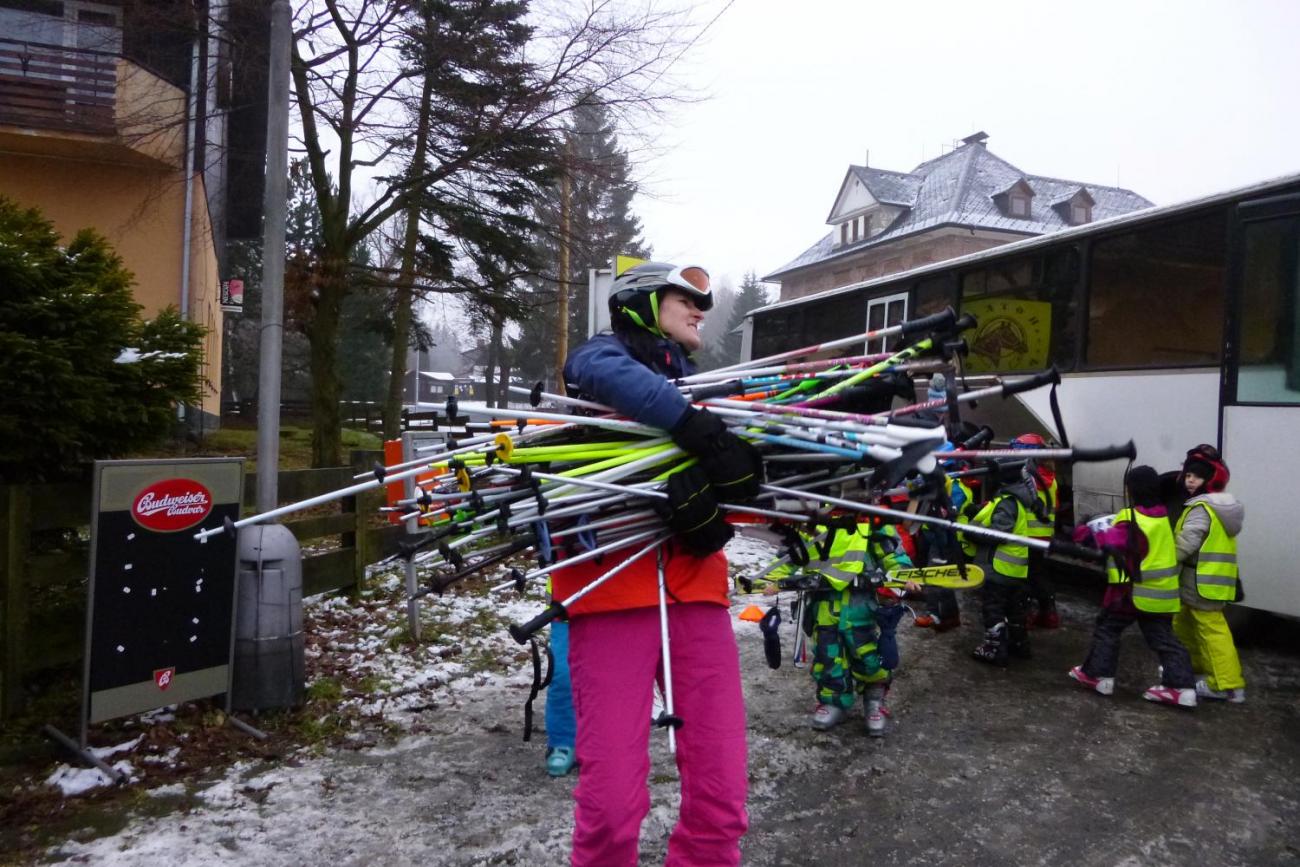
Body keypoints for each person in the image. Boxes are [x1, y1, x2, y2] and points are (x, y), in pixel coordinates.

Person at [557, 262, 761, 866]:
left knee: (723, 796)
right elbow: (595, 367)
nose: (701, 309)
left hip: (696, 596)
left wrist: (723, 512)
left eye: (704, 301)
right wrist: (690, 424)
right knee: (612, 808)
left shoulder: (701, 390)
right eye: (686, 298)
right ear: (644, 302)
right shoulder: (602, 366)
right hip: (610, 596)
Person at [765, 516, 913, 737]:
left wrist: (903, 573)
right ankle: (834, 701)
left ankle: (874, 701)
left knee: (867, 656)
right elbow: (788, 557)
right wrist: (772, 579)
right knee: (828, 656)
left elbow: (891, 552)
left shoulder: (867, 517)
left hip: (860, 607)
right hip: (823, 607)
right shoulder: (807, 522)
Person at [1067, 465, 1198, 708]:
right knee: (1164, 639)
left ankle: (1099, 676)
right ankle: (1181, 686)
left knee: (1107, 628)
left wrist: (1080, 532)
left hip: (1131, 593)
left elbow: (1106, 539)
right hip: (1161, 595)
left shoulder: (1133, 520)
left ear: (1132, 490)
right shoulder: (1160, 517)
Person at [1172, 445, 1247, 703]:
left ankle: (1227, 686)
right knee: (1184, 623)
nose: (1190, 480)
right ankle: (1188, 669)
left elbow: (1186, 543)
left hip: (1200, 581)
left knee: (1211, 631)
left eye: (1197, 476)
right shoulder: (1220, 506)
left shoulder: (1202, 508)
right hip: (1207, 581)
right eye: (1188, 475)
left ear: (1211, 480)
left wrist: (1161, 559)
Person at [965, 463, 1042, 665]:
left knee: (993, 608)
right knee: (1015, 609)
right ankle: (1019, 645)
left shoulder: (1008, 502)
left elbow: (999, 532)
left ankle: (994, 649)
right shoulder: (1017, 500)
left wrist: (971, 533)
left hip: (999, 567)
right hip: (1014, 569)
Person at [1013, 434, 1061, 629]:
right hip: (1043, 534)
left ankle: (1026, 615)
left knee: (1024, 576)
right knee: (1038, 572)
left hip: (1026, 533)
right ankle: (1049, 613)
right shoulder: (1051, 478)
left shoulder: (1027, 477)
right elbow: (1055, 506)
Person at [544, 617, 578, 776]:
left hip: (614, 606)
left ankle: (607, 740)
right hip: (566, 608)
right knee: (563, 675)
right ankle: (563, 741)